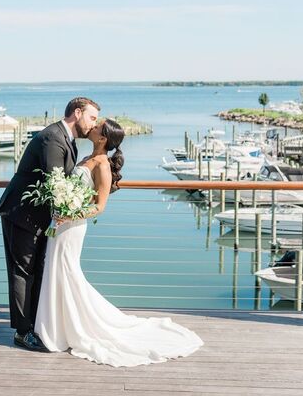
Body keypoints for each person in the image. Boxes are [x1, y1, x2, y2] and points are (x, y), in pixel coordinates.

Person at [34, 119, 204, 366]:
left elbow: (100, 207)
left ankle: (70, 328)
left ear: (102, 138)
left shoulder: (102, 164)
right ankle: (56, 326)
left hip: (72, 226)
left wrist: (71, 213)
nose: (91, 127)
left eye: (97, 127)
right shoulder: (86, 156)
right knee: (56, 271)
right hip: (61, 223)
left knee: (67, 271)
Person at [0, 97, 100, 351]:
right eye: (92, 118)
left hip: (39, 216)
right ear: (77, 113)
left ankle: (36, 324)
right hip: (22, 213)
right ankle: (22, 332)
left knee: (37, 271)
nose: (93, 124)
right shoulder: (52, 138)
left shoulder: (68, 139)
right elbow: (57, 184)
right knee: (23, 272)